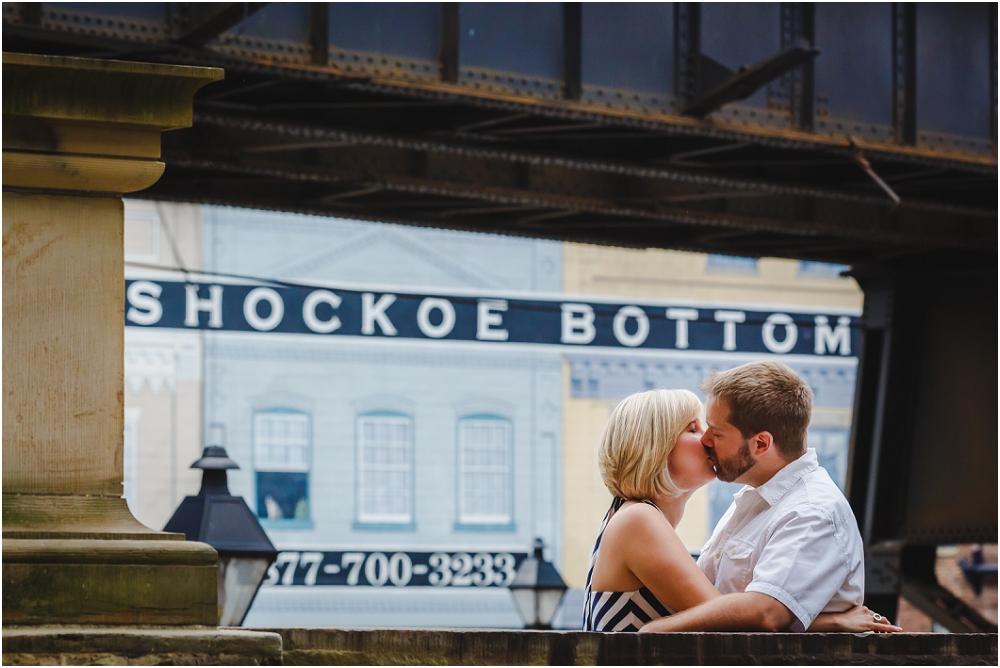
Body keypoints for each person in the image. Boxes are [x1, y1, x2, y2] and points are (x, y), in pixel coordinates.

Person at [584, 383, 899, 633]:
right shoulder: (639, 520)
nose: (708, 439)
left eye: (709, 429)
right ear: (657, 447)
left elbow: (720, 614)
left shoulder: (629, 517)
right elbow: (728, 621)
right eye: (694, 429)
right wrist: (831, 621)